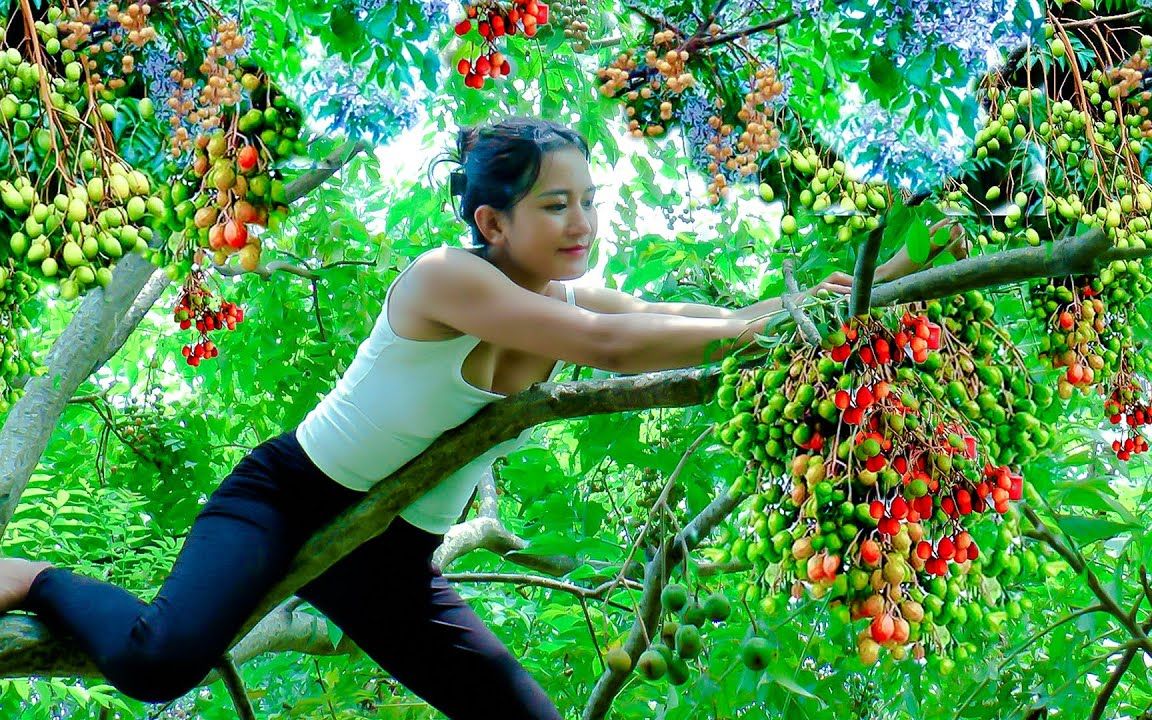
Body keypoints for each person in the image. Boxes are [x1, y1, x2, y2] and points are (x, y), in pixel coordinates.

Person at [0, 116, 958, 718]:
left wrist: (836, 298)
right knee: (161, 664)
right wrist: (776, 319)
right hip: (286, 503)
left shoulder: (574, 298)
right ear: (492, 222)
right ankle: (30, 574)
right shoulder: (446, 278)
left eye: (590, 201)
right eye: (555, 206)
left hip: (392, 565)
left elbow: (690, 322)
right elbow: (624, 350)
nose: (582, 223)